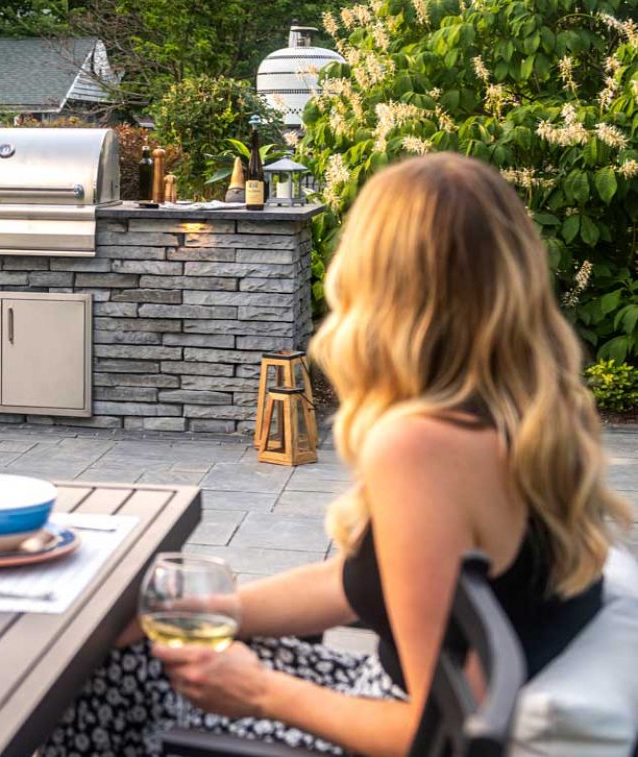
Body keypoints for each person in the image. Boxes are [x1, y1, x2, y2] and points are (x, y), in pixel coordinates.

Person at [44, 153, 633, 755]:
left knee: (83, 682)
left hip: (381, 720)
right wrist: (212, 609)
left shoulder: (420, 446)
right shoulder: (521, 413)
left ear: (376, 280)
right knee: (119, 651)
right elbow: (358, 582)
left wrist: (260, 692)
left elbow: (437, 734)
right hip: (377, 694)